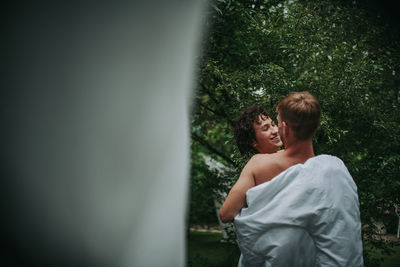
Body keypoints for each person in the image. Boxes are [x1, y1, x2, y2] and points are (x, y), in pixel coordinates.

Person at [219, 91, 363, 266]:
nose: (274, 130)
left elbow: (226, 214)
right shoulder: (324, 168)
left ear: (284, 128)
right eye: (266, 128)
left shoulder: (257, 164)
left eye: (275, 124)